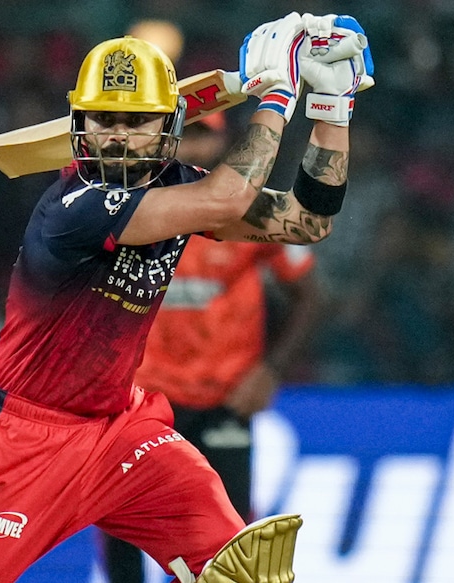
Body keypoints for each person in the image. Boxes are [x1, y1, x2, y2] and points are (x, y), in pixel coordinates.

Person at [0, 12, 373, 583]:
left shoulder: (179, 185)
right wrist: (277, 94)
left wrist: (331, 110)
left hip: (121, 431)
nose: (119, 136)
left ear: (170, 126)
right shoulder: (73, 207)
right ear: (79, 126)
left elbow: (306, 221)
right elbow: (225, 200)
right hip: (24, 441)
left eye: (137, 121)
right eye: (105, 119)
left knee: (239, 569)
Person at [99, 112, 325, 583]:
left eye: (205, 136)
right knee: (121, 526)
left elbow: (309, 297)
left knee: (230, 544)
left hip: (223, 400)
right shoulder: (131, 207)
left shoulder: (254, 209)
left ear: (225, 142)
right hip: (142, 402)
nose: (193, 148)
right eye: (185, 136)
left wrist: (270, 370)